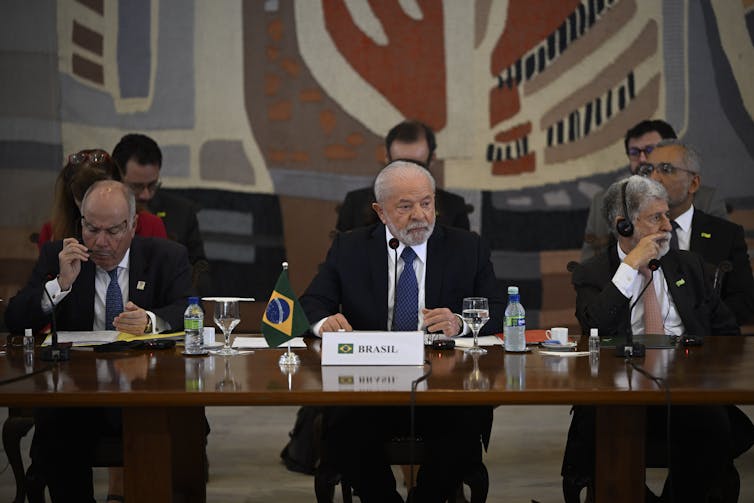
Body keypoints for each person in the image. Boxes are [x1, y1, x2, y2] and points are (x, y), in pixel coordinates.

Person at [301, 160, 504, 502]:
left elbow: (500, 309)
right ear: (380, 212)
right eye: (405, 207)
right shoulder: (349, 248)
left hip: (443, 385)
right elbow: (312, 302)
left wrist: (460, 322)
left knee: (464, 423)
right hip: (369, 386)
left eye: (426, 203)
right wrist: (325, 324)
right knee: (343, 428)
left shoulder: (467, 247)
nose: (420, 216)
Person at [562, 175, 753, 502]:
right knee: (606, 440)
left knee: (715, 429)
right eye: (656, 218)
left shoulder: (689, 266)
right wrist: (630, 267)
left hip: (686, 389)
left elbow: (726, 333)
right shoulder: (592, 273)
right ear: (623, 226)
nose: (668, 225)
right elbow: (596, 326)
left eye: (668, 214)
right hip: (617, 394)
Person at [5, 180, 193, 503]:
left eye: (113, 231)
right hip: (79, 394)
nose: (101, 242)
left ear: (132, 225)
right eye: (92, 229)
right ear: (81, 223)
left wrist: (150, 320)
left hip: (145, 389)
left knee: (162, 423)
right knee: (57, 424)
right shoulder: (59, 255)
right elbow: (15, 318)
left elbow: (189, 309)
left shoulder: (166, 256)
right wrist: (60, 285)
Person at [639, 139, 754, 325]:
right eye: (648, 170)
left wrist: (700, 325)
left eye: (666, 169)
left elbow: (744, 302)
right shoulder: (633, 233)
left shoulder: (726, 235)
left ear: (693, 183)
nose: (654, 178)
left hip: (708, 345)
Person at [581, 119, 726, 261]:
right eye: (635, 152)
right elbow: (589, 268)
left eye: (650, 150)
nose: (642, 159)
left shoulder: (706, 200)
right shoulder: (604, 201)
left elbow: (720, 261)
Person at [112, 133, 211, 294]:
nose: (146, 195)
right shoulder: (98, 215)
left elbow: (200, 267)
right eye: (136, 187)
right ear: (117, 178)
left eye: (152, 185)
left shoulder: (182, 212)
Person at [336, 120, 470, 232]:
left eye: (417, 166)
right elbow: (340, 259)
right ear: (387, 158)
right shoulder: (356, 204)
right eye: (399, 165)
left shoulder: (453, 207)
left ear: (432, 159)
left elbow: (463, 260)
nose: (407, 175)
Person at [38, 149, 167, 248]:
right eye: (84, 199)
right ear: (70, 196)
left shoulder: (150, 226)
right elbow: (44, 280)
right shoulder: (52, 233)